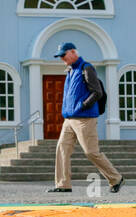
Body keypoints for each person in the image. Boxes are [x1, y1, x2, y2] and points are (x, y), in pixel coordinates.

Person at [47, 42, 124, 194]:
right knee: (61, 148)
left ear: (73, 52)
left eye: (64, 55)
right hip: (69, 119)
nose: (62, 58)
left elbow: (97, 92)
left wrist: (82, 106)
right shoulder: (70, 71)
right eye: (60, 56)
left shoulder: (86, 68)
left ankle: (116, 178)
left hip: (85, 119)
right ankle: (63, 184)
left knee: (91, 152)